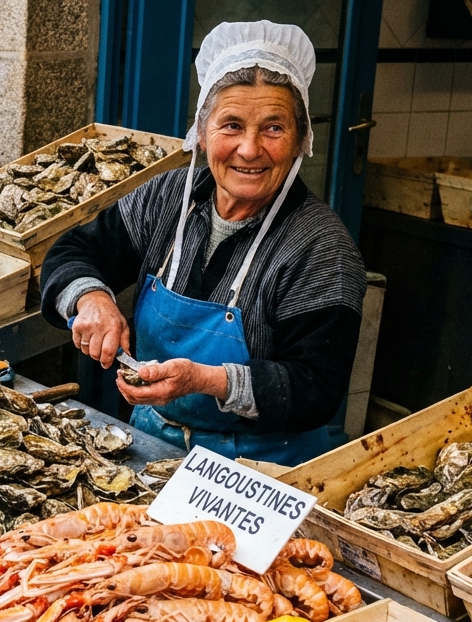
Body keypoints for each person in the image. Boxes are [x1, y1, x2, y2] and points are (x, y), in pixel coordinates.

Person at [41, 20, 366, 466]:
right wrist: (92, 298)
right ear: (202, 131)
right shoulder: (170, 197)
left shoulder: (321, 248)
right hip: (151, 447)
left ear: (299, 141)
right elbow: (74, 250)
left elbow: (315, 388)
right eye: (231, 125)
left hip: (260, 473)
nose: (249, 150)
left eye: (273, 128)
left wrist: (207, 380)